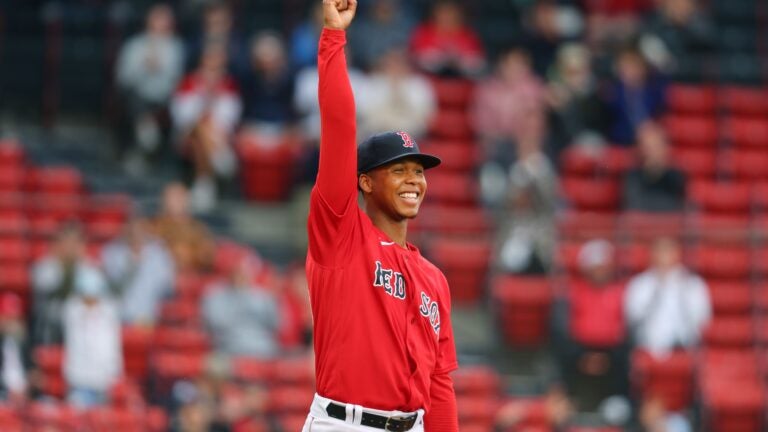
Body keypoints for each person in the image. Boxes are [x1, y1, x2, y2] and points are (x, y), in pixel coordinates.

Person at [302, 1, 458, 431]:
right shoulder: (340, 235)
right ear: (366, 182)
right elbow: (339, 126)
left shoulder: (433, 279)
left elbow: (439, 385)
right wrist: (334, 37)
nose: (414, 180)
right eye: (399, 170)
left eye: (418, 171)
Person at [552, 240, 628, 410]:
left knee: (626, 358)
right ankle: (566, 404)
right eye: (597, 267)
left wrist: (603, 357)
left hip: (612, 353)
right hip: (580, 351)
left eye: (604, 267)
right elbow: (565, 328)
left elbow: (625, 329)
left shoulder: (620, 292)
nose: (601, 271)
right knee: (563, 354)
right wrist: (585, 356)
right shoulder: (574, 292)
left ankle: (619, 406)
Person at [171, 42, 242, 213]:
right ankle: (219, 158)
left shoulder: (229, 85)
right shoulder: (188, 82)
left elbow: (230, 118)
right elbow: (182, 117)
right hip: (189, 133)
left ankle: (204, 184)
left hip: (218, 135)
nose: (212, 71)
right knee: (198, 130)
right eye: (209, 65)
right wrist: (206, 101)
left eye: (216, 67)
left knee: (201, 137)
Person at [115, 3, 184, 174]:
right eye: (157, 18)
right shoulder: (134, 45)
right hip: (138, 97)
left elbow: (177, 79)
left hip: (164, 98)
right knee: (133, 98)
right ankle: (145, 129)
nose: (161, 23)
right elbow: (123, 78)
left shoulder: (176, 47)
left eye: (165, 19)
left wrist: (159, 67)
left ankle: (148, 132)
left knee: (177, 102)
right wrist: (144, 67)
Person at [624, 237, 711, 359]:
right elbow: (632, 317)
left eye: (668, 251)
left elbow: (702, 318)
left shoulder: (692, 284)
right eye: (660, 251)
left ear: (677, 254)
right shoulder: (639, 284)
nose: (664, 256)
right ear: (652, 255)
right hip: (647, 347)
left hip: (684, 347)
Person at [30, 222, 101, 347]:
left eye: (75, 242)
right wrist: (63, 266)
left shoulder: (90, 268)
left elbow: (94, 296)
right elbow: (44, 285)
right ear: (58, 244)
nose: (70, 247)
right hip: (51, 326)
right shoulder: (46, 266)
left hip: (80, 327)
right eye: (66, 242)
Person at [62, 267, 123, 408]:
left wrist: (116, 373)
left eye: (94, 297)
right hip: (79, 378)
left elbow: (113, 345)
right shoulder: (73, 310)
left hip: (104, 379)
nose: (91, 301)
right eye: (87, 297)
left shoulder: (109, 312)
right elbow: (72, 308)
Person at [202, 253, 281, 358]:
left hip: (263, 349)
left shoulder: (263, 296)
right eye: (237, 269)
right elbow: (215, 324)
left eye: (244, 269)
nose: (241, 274)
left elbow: (275, 324)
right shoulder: (214, 294)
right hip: (228, 350)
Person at [101, 218, 175, 326]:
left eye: (140, 230)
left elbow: (167, 287)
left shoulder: (158, 255)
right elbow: (113, 287)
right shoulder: (113, 253)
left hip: (149, 320)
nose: (136, 235)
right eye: (132, 230)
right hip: (120, 320)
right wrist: (132, 263)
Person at [358, 47, 436, 139]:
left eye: (399, 63)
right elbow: (365, 112)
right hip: (377, 133)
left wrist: (400, 91)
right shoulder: (372, 82)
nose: (395, 67)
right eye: (391, 63)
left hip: (411, 134)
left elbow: (425, 114)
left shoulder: (419, 84)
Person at [604, 44, 667, 146]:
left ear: (642, 68)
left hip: (650, 138)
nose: (629, 71)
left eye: (633, 66)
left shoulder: (653, 89)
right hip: (624, 141)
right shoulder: (613, 93)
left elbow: (659, 114)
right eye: (625, 67)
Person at [149, 183, 216, 273]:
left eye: (180, 197)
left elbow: (207, 255)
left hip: (192, 274)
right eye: (171, 197)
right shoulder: (153, 225)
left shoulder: (197, 228)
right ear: (163, 200)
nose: (176, 201)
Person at [409, 0, 485, 78]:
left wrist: (457, 60)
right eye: (443, 13)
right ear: (435, 14)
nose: (447, 16)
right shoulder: (424, 32)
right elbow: (416, 59)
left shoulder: (469, 35)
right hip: (428, 81)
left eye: (451, 13)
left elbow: (476, 63)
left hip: (462, 82)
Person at [623, 121, 686, 212]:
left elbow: (678, 208)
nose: (651, 152)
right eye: (647, 147)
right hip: (642, 224)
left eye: (655, 146)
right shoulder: (631, 177)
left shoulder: (676, 177)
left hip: (669, 224)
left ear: (665, 148)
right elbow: (635, 206)